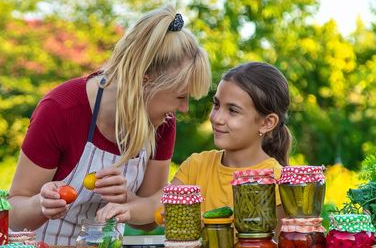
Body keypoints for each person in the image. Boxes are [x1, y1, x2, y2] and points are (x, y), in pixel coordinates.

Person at [8, 6, 212, 245]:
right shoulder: (61, 109)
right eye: (181, 96)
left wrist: (128, 199)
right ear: (144, 82)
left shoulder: (161, 122)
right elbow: (12, 212)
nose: (184, 108)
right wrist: (40, 204)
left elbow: (148, 217)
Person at [98, 61, 292, 223]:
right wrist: (127, 210)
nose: (217, 118)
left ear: (267, 123)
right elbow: (157, 204)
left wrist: (202, 224)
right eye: (216, 105)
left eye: (232, 110)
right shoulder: (196, 166)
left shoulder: (278, 182)